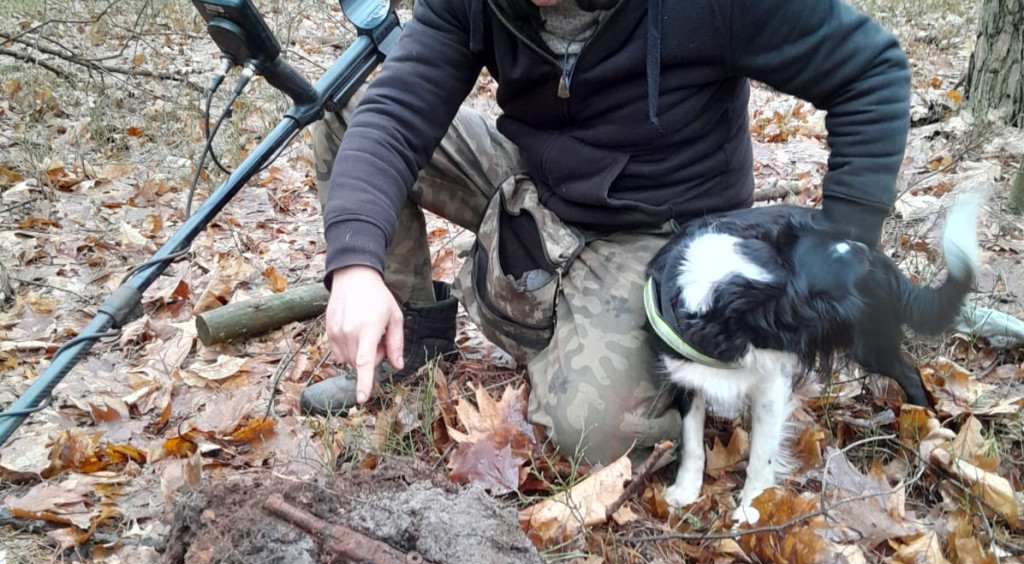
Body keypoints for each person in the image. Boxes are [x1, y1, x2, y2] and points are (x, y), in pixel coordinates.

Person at [300, 0, 911, 467]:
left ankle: (654, 362)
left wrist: (840, 252)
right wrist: (356, 262)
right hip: (540, 173)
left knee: (586, 431)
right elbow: (396, 115)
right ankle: (408, 347)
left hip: (661, 226)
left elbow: (871, 74)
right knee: (346, 110)